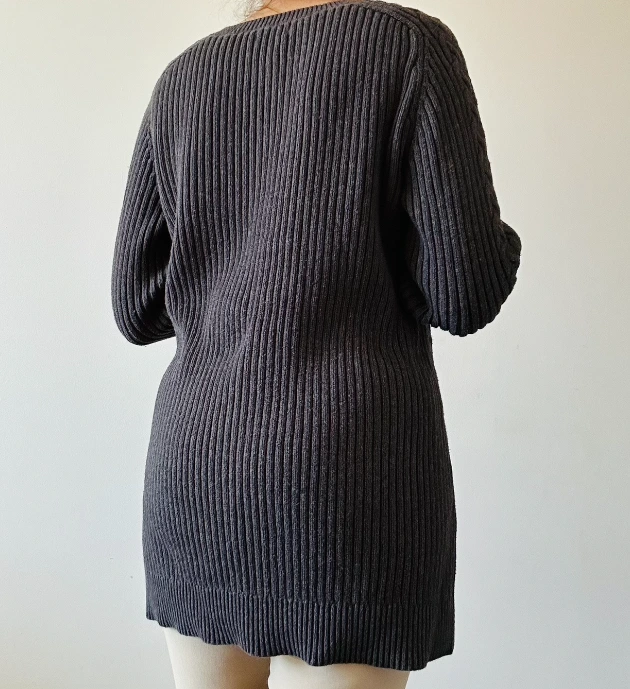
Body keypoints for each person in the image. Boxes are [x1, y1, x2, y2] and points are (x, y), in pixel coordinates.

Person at [110, 0, 522, 687]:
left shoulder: (183, 78)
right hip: (342, 486)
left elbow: (137, 305)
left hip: (197, 480)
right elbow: (466, 292)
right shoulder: (406, 46)